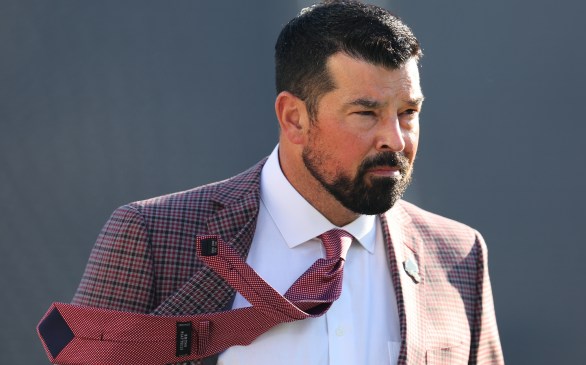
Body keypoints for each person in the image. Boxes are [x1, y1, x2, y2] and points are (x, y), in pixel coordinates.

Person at [70, 1, 504, 364]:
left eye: (408, 113)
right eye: (366, 113)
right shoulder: (154, 236)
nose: (395, 138)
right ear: (293, 117)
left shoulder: (459, 254)